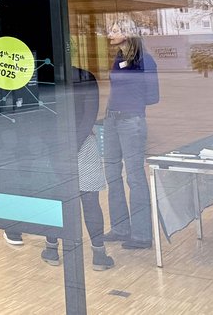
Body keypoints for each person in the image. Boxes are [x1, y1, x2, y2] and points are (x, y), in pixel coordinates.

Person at [40, 66, 115, 271]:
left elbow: (42, 115)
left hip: (56, 146)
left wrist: (56, 146)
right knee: (90, 201)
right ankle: (99, 255)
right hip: (83, 144)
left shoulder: (45, 77)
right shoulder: (85, 77)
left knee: (57, 200)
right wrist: (75, 143)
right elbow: (89, 116)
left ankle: (52, 249)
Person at [102, 17, 159, 250]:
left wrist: (131, 105)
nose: (110, 34)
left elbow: (153, 96)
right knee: (112, 175)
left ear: (128, 33)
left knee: (134, 177)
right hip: (111, 120)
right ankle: (120, 228)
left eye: (115, 30)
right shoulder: (119, 58)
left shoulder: (145, 60)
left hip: (131, 121)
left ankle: (142, 235)